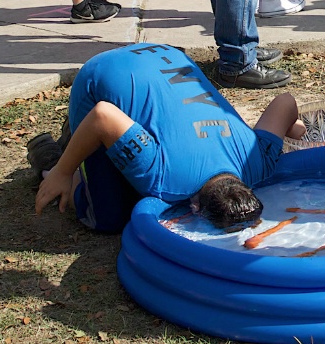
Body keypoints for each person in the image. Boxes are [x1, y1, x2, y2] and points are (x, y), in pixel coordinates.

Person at [31, 43, 305, 233]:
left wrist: (290, 128)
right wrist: (63, 171)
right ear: (195, 207)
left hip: (164, 56)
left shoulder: (257, 162)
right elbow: (102, 116)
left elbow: (285, 101)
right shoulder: (163, 178)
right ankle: (52, 158)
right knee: (109, 217)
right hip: (100, 76)